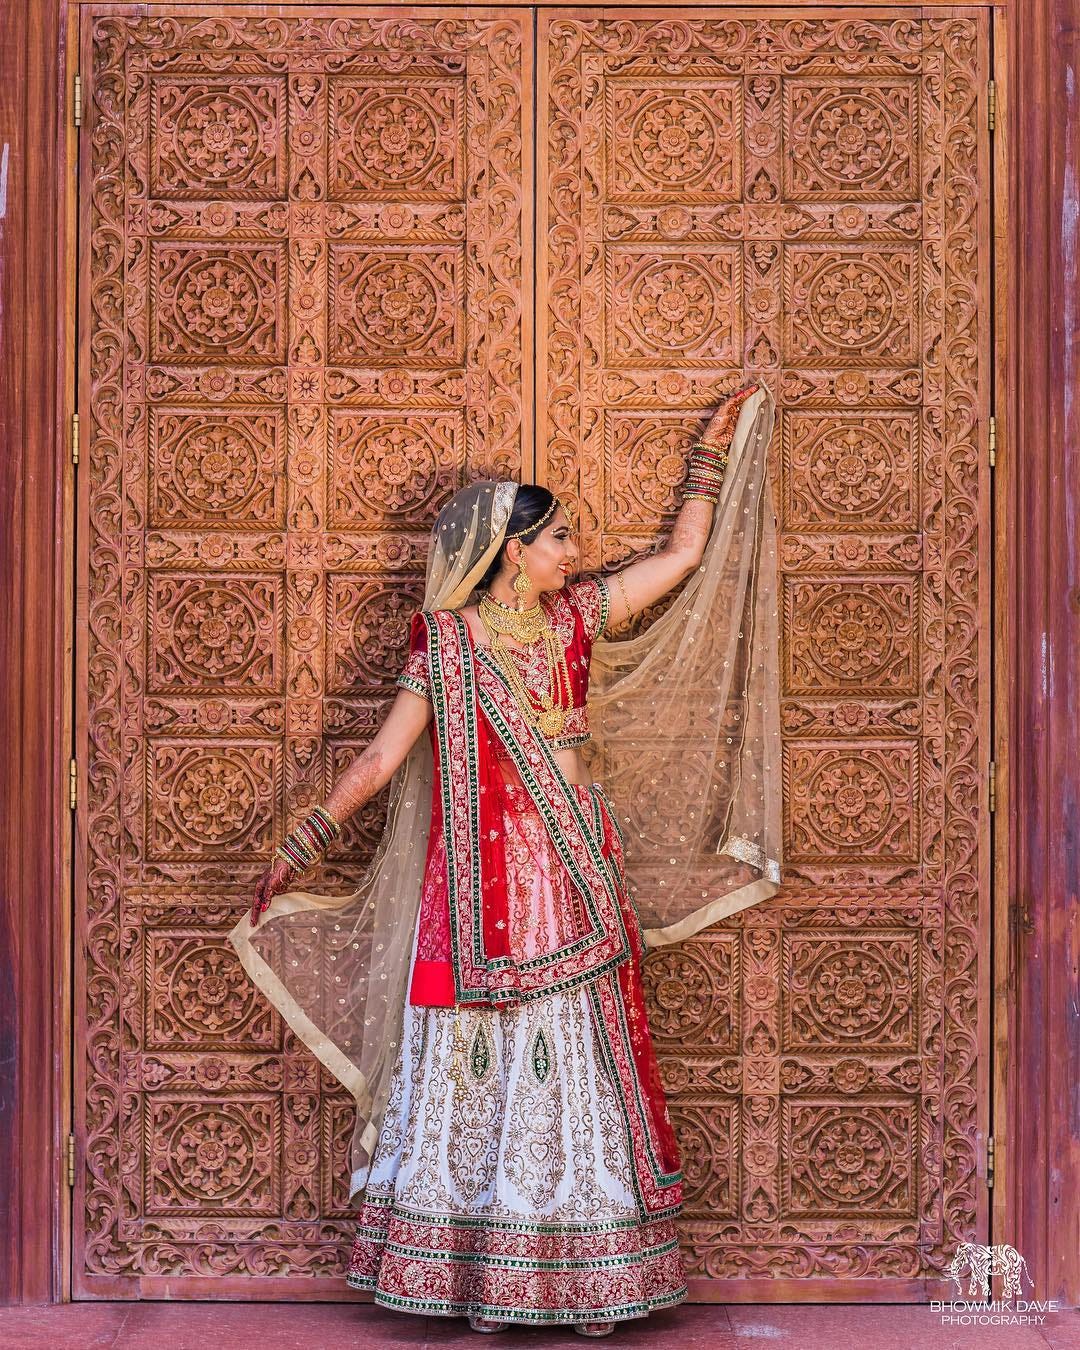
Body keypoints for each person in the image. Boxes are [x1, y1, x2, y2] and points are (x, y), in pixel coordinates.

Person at [229, 382, 782, 1333]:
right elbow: (377, 760)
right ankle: (483, 1277)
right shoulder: (447, 645)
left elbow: (685, 555)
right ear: (511, 555)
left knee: (574, 1061)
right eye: (558, 538)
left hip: (566, 871)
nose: (575, 552)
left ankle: (588, 1279)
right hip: (485, 890)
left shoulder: (575, 618)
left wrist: (712, 452)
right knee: (486, 1065)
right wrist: (297, 850)